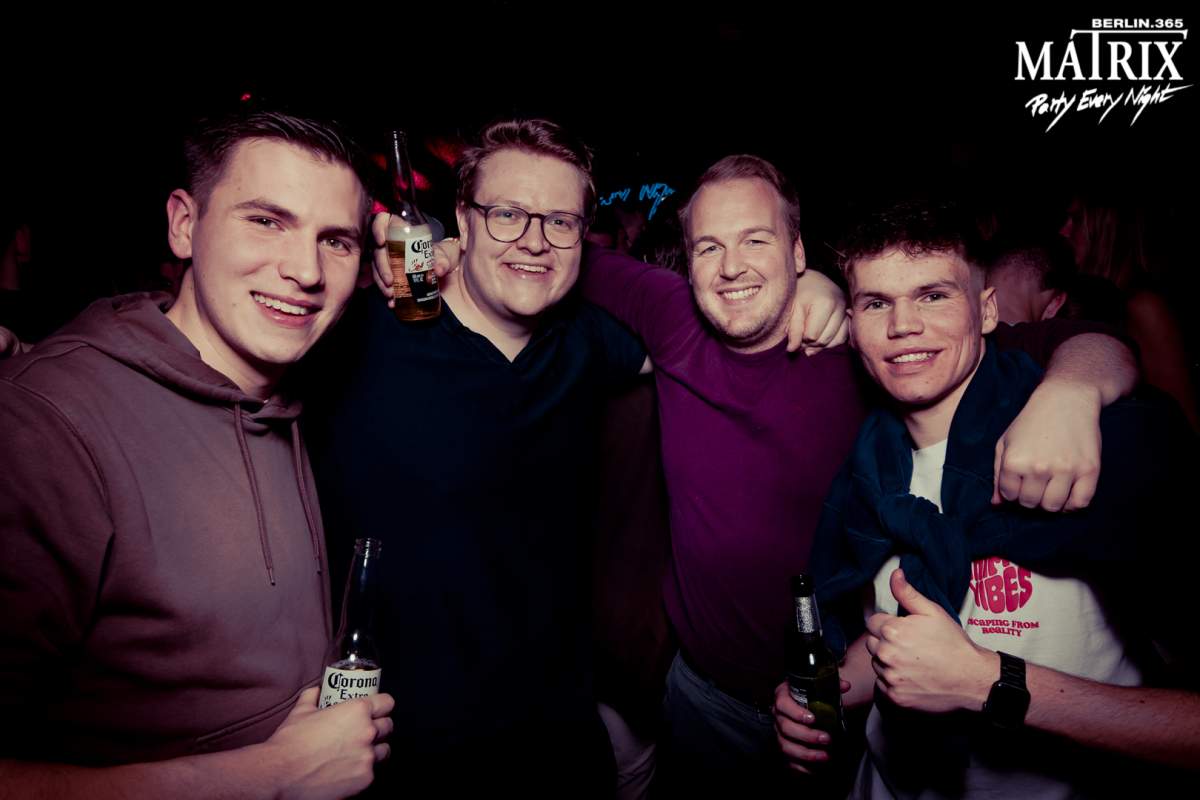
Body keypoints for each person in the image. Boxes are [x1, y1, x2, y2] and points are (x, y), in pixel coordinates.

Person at [573, 158, 1139, 793]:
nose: (731, 266)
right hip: (705, 698)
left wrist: (1072, 390)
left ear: (797, 252)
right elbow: (562, 251)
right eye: (709, 246)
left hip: (843, 709)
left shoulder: (872, 350)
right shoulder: (675, 318)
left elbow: (1086, 339)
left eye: (756, 240)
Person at [0, 110, 393, 799]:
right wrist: (270, 777)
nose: (305, 271)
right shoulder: (46, 425)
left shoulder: (298, 385)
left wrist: (443, 264)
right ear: (184, 225)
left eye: (336, 240)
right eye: (265, 220)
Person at [776, 200, 1199, 798]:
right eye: (876, 303)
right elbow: (899, 638)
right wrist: (828, 693)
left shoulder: (1101, 448)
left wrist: (991, 684)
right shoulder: (863, 475)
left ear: (988, 309)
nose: (903, 326)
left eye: (933, 296)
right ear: (853, 325)